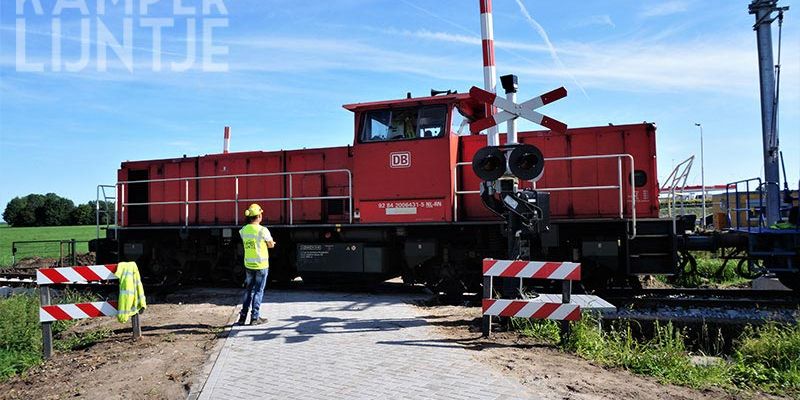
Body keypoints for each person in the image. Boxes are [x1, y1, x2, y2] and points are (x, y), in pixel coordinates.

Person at [237, 203, 276, 326]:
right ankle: (255, 318)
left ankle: (242, 318)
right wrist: (272, 243)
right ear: (259, 216)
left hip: (249, 265)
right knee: (258, 292)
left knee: (248, 291)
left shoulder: (243, 230)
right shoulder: (263, 230)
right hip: (261, 265)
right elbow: (270, 245)